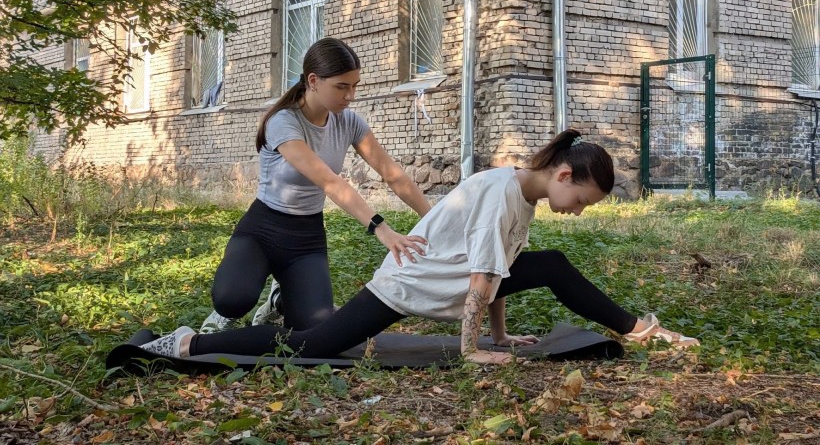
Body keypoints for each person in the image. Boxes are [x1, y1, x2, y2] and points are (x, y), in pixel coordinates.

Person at [147, 129, 700, 364]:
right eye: (580, 200)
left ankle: (638, 328)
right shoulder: (502, 194)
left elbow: (501, 270)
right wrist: (471, 348)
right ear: (562, 175)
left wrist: (500, 336)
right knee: (312, 346)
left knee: (551, 264)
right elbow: (483, 279)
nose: (577, 211)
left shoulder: (523, 195)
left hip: (444, 278)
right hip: (407, 284)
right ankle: (192, 343)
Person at [199, 37, 431, 334]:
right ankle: (223, 315)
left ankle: (279, 300)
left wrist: (435, 218)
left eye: (355, 86)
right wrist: (382, 229)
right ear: (313, 81)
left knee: (314, 326)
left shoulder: (349, 122)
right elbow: (329, 181)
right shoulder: (283, 122)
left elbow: (392, 174)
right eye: (342, 87)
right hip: (263, 229)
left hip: (306, 236)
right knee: (232, 299)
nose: (351, 96)